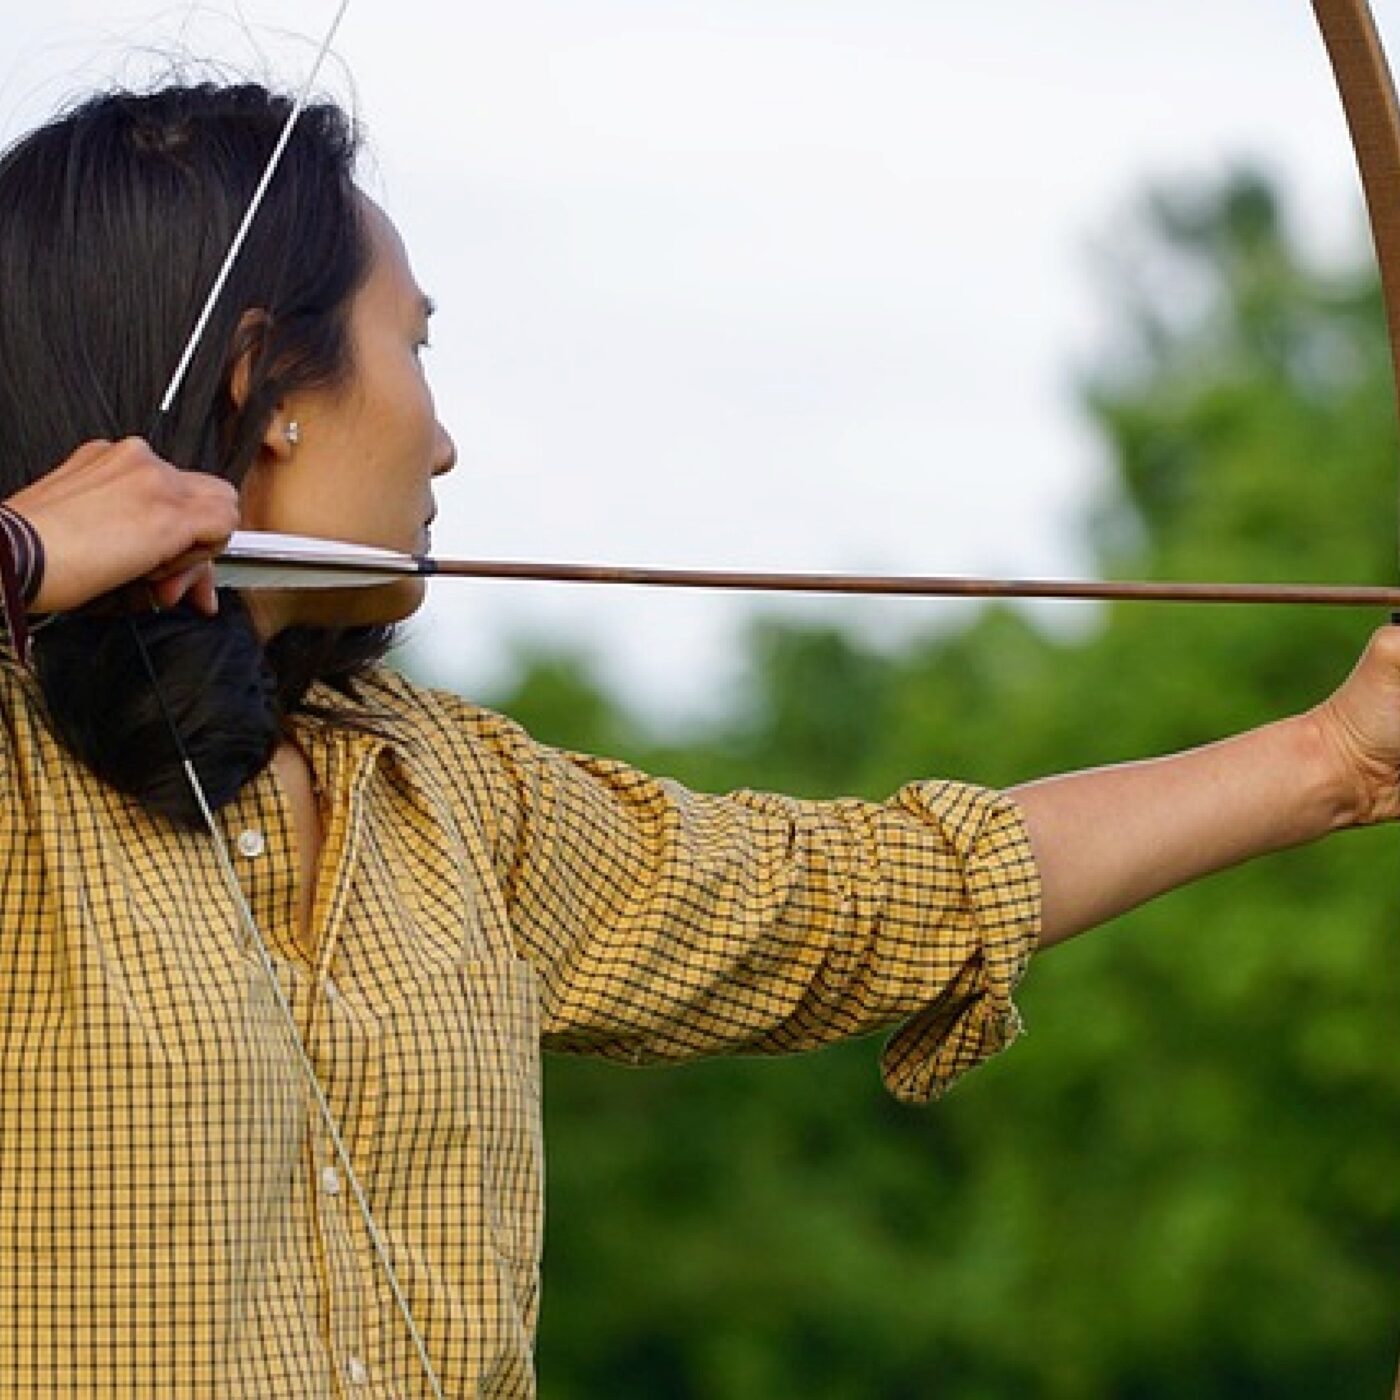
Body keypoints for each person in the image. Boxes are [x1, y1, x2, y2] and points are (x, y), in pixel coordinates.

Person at [0, 81, 1397, 1399]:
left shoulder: (441, 789)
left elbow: (864, 897)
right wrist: (20, 552)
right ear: (263, 386)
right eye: (413, 346)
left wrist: (1337, 756)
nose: (444, 442)